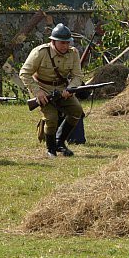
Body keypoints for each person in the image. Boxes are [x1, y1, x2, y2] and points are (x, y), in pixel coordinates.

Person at [19, 23, 85, 158]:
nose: (65, 46)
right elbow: (24, 73)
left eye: (67, 43)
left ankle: (60, 142)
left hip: (62, 89)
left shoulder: (73, 53)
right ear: (53, 41)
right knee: (51, 118)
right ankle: (51, 149)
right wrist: (37, 92)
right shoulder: (40, 52)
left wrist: (70, 89)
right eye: (62, 43)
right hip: (42, 89)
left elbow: (78, 76)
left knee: (77, 110)